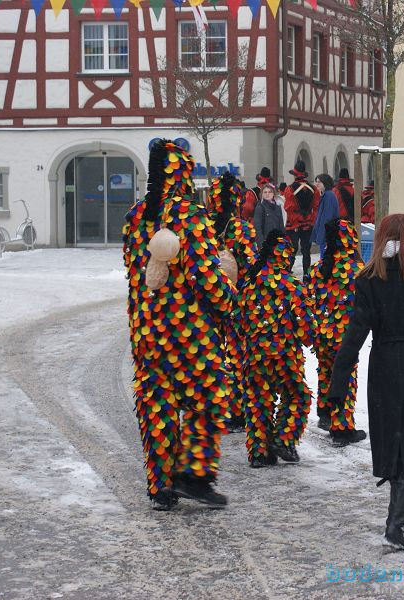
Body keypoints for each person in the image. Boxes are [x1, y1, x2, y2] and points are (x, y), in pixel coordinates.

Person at [327, 214, 404, 551]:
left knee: (394, 439)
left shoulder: (369, 277)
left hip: (383, 365)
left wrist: (338, 380)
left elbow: (355, 333)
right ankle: (395, 522)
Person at [123, 139, 234, 510]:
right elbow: (206, 277)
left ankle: (160, 485)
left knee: (158, 405)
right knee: (208, 398)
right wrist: (228, 300)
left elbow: (135, 274)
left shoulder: (136, 216)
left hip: (147, 332)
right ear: (183, 172)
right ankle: (194, 476)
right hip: (189, 333)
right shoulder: (189, 215)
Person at [237, 230, 317, 468]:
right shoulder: (292, 287)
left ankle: (259, 452)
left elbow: (239, 324)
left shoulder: (248, 286)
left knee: (258, 400)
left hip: (254, 357)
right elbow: (306, 333)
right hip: (285, 358)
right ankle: (283, 438)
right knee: (298, 396)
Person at [306, 219, 367, 445]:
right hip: (345, 337)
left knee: (325, 371)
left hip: (321, 333)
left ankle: (324, 412)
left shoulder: (317, 269)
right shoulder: (358, 271)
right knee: (345, 378)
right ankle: (342, 428)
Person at [208, 173, 257, 434]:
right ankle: (236, 411)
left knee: (211, 353)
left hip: (206, 303)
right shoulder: (240, 229)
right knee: (236, 355)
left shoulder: (202, 226)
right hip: (236, 301)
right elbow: (250, 265)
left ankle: (214, 406)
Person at [283, 161, 319, 275]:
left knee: (291, 250)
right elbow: (316, 207)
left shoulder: (289, 189)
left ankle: (287, 273)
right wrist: (310, 219)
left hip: (294, 223)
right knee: (306, 251)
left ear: (294, 174)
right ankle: (306, 274)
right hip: (308, 223)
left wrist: (296, 219)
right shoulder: (314, 189)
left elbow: (288, 207)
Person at [311, 173, 340, 256]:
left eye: (319, 182)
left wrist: (325, 236)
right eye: (316, 181)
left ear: (325, 183)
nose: (316, 184)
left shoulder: (328, 196)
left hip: (327, 235)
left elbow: (327, 217)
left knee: (326, 260)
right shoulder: (326, 195)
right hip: (326, 234)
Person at [253, 182, 285, 247]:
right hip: (266, 243)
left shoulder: (278, 207)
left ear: (273, 194)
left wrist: (283, 242)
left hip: (277, 244)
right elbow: (257, 228)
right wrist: (262, 244)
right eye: (265, 192)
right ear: (262, 194)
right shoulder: (260, 207)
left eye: (270, 192)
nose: (267, 194)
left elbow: (281, 227)